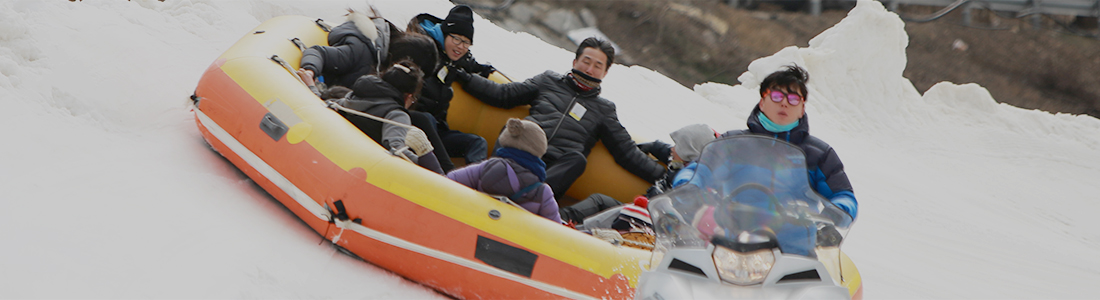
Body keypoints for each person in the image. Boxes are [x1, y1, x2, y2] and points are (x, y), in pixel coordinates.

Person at [453, 37, 666, 201]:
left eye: (597, 66)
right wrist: (464, 77)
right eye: (586, 61)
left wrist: (665, 176)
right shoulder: (548, 81)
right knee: (512, 128)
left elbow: (627, 153)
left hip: (549, 174)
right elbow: (504, 95)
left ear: (605, 72)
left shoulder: (604, 110)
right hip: (519, 157)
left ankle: (531, 196)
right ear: (575, 61)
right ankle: (490, 177)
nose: (589, 69)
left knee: (577, 160)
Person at [721, 65, 858, 220]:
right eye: (777, 96)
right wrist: (689, 187)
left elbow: (843, 195)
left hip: (794, 239)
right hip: (732, 234)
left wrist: (835, 213)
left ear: (802, 109)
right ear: (762, 102)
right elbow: (700, 173)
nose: (784, 103)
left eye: (793, 99)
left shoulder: (819, 154)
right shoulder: (731, 143)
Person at [405, 5, 494, 166]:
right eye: (456, 39)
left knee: (476, 142)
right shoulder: (423, 49)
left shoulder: (455, 60)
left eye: (466, 42)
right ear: (444, 34)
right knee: (427, 119)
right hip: (412, 123)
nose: (461, 46)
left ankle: (475, 180)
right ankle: (449, 175)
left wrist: (483, 70)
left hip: (437, 129)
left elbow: (470, 64)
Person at [328, 60, 444, 174]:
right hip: (362, 167)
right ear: (408, 96)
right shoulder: (397, 114)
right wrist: (428, 164)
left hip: (333, 153)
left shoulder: (352, 97)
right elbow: (396, 149)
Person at [446, 118, 562, 223]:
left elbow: (449, 181)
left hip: (476, 223)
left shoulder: (487, 167)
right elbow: (557, 232)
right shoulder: (542, 192)